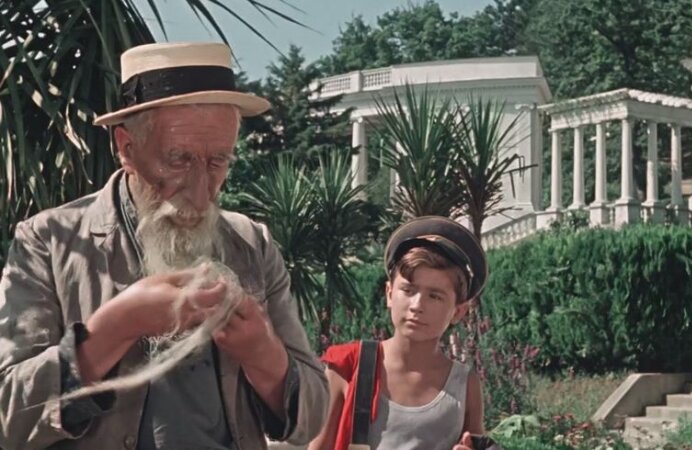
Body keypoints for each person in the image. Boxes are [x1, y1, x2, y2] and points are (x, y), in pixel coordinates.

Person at [0, 42, 328, 449]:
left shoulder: (251, 244)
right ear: (126, 148)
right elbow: (8, 418)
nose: (200, 193)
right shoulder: (49, 242)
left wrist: (264, 355)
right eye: (178, 160)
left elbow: (313, 417)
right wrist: (114, 329)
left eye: (218, 162)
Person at [309, 216, 494, 450]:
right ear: (389, 293)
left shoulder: (464, 384)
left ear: (458, 311)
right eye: (408, 290)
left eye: (435, 296)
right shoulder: (348, 367)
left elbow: (475, 442)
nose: (417, 305)